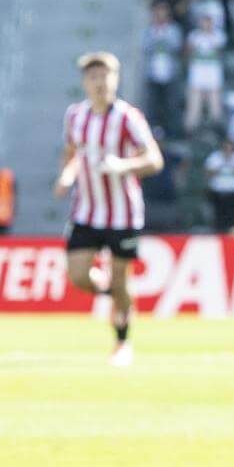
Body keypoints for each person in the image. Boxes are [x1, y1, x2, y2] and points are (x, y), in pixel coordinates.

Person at [54, 51, 164, 366]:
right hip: (86, 211)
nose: (99, 82)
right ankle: (110, 290)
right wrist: (66, 175)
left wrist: (124, 165)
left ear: (115, 79)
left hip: (123, 213)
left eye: (105, 76)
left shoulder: (128, 117)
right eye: (93, 77)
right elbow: (71, 152)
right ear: (85, 82)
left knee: (122, 279)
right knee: (77, 275)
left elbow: (154, 160)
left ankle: (122, 342)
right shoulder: (75, 115)